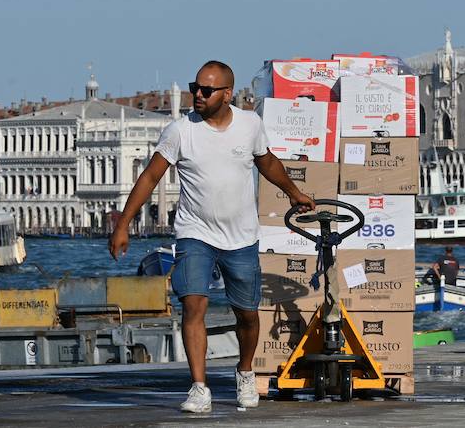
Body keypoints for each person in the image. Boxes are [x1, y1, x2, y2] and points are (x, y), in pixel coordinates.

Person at [109, 60, 314, 414]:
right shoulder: (179, 131)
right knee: (194, 305)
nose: (198, 95)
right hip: (195, 233)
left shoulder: (250, 125)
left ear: (227, 94)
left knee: (247, 314)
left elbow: (267, 163)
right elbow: (149, 178)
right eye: (195, 88)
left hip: (241, 237)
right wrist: (123, 223)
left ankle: (245, 372)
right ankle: (199, 387)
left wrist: (294, 193)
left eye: (206, 90)